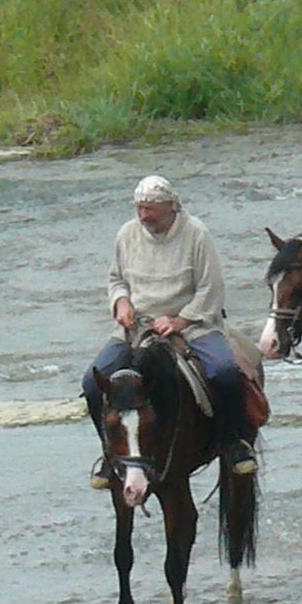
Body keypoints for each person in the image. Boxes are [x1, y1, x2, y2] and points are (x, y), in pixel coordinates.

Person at [82, 173, 255, 482]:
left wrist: (180, 320)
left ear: (171, 207)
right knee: (92, 382)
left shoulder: (196, 234)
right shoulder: (127, 234)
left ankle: (234, 442)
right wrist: (122, 303)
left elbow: (211, 289)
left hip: (193, 325)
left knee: (225, 372)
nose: (143, 215)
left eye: (150, 209)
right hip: (138, 327)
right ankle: (111, 453)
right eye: (139, 208)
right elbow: (117, 279)